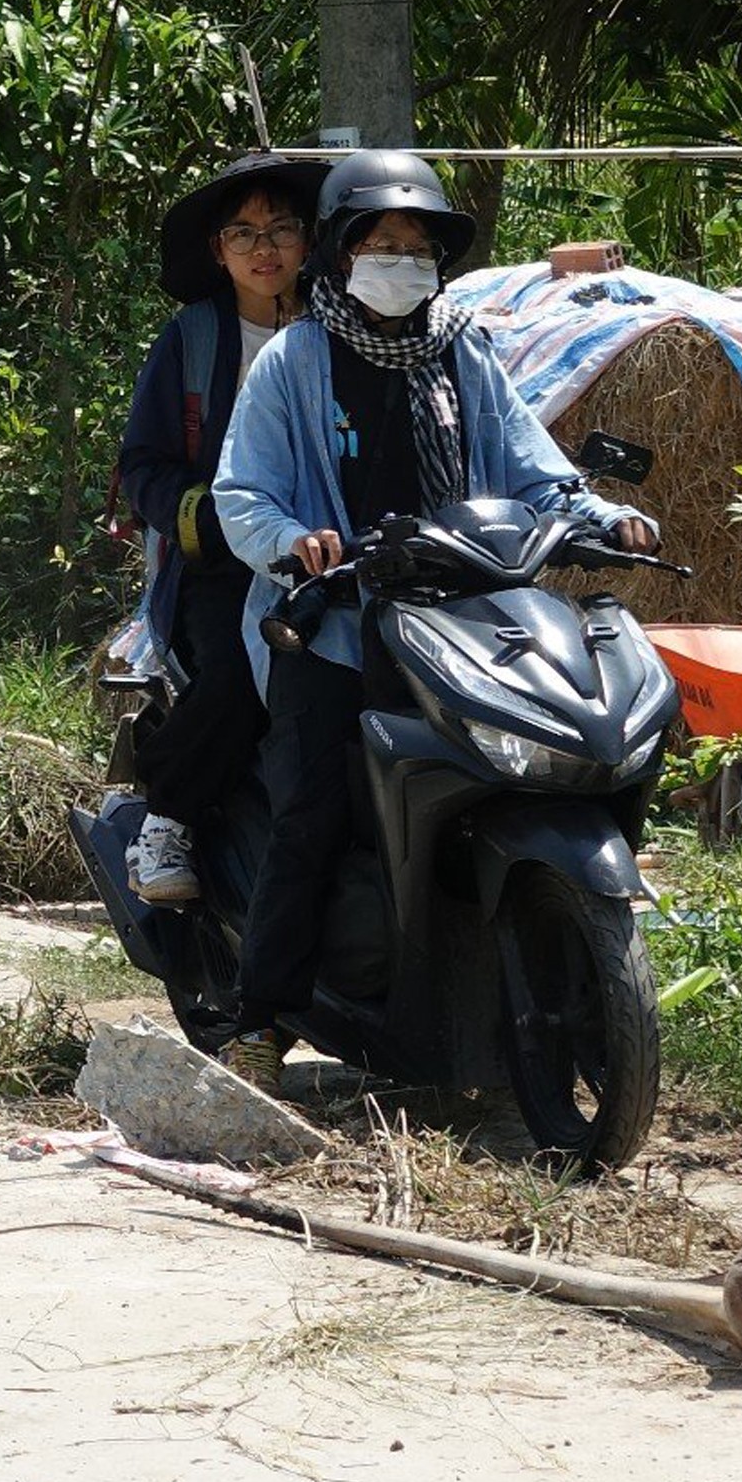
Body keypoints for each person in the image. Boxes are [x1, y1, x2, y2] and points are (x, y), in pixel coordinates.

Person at [209, 153, 656, 1089]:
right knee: (313, 810)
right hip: (334, 622)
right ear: (339, 254)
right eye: (382, 244)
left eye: (418, 247)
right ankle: (260, 1018)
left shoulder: (463, 348)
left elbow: (532, 467)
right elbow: (242, 494)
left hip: (464, 612)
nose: (402, 262)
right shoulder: (294, 359)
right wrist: (297, 542)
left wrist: (596, 517)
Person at [110, 155, 318, 905]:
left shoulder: (343, 331)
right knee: (237, 678)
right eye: (244, 233)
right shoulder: (192, 340)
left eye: (282, 229)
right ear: (218, 251)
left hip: (336, 561)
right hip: (225, 567)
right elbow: (143, 465)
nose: (265, 249)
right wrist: (204, 517)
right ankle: (165, 819)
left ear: (309, 240)